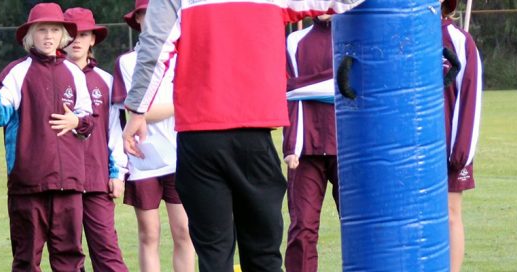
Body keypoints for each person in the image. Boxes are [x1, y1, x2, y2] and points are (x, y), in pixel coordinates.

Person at [120, 1, 365, 271]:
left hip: (200, 137)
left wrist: (138, 111)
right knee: (263, 255)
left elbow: (154, 48)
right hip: (254, 135)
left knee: (214, 256)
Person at [0, 3, 93, 271]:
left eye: (55, 29)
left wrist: (77, 120)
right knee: (27, 258)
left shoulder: (74, 73)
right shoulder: (18, 71)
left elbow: (89, 119)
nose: (49, 36)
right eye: (42, 30)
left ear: (63, 35)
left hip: (69, 182)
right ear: (30, 34)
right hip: (28, 183)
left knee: (70, 257)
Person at [113, 1, 194, 271]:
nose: (156, 18)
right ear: (137, 19)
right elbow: (131, 110)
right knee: (149, 234)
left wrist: (144, 112)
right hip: (143, 158)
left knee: (184, 231)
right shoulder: (126, 62)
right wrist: (173, 106)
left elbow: (143, 111)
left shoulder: (183, 57)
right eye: (147, 14)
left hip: (180, 156)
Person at [64, 7, 129, 272]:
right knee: (68, 251)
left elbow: (115, 130)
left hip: (97, 178)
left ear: (93, 39)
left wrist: (118, 173)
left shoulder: (106, 80)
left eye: (84, 34)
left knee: (107, 249)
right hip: (62, 180)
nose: (77, 40)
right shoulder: (52, 76)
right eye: (72, 34)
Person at [282, 15, 340, 272]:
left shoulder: (358, 36)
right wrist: (290, 146)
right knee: (302, 229)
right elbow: (289, 93)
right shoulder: (295, 41)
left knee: (360, 227)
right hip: (305, 152)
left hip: (349, 151)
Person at [440, 1, 483, 271]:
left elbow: (470, 99)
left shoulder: (459, 40)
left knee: (451, 215)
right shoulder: (399, 33)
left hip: (450, 148)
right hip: (409, 150)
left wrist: (461, 152)